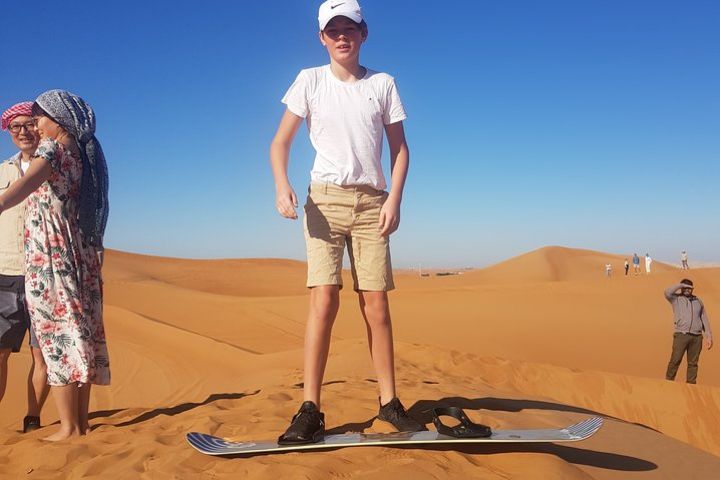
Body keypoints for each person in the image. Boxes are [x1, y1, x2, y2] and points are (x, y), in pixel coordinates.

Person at [270, 0, 424, 444]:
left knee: (375, 305)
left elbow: (400, 149)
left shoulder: (383, 83)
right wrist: (282, 185)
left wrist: (394, 199)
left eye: (350, 29)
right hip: (324, 201)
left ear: (364, 33)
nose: (342, 36)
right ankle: (310, 408)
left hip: (372, 204)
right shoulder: (309, 81)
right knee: (324, 301)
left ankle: (390, 404)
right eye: (333, 30)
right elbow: (279, 143)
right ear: (321, 37)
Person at [0, 90, 110, 441]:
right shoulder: (84, 153)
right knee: (80, 333)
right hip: (77, 250)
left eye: (39, 118)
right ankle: (82, 421)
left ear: (57, 120)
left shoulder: (52, 148)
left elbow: (27, 184)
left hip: (49, 254)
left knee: (56, 336)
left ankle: (68, 427)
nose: (36, 124)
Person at [0, 102, 50, 432]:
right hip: (6, 272)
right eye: (14, 127)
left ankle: (33, 418)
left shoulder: (53, 165)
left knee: (42, 355)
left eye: (28, 124)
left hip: (46, 274)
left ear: (39, 126)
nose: (22, 131)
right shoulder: (2, 171)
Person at [664, 279, 713, 384]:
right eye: (685, 288)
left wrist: (709, 336)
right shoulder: (675, 298)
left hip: (697, 337)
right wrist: (680, 284)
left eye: (689, 288)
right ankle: (668, 382)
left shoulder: (698, 301)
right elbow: (667, 292)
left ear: (692, 289)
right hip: (681, 335)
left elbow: (704, 318)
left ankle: (691, 385)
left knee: (693, 363)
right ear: (681, 288)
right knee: (675, 360)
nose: (687, 290)